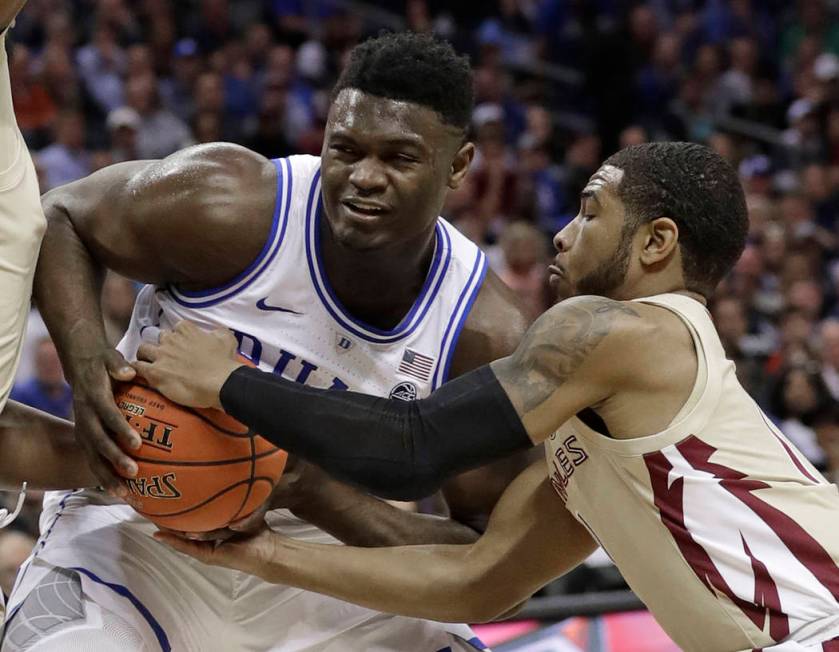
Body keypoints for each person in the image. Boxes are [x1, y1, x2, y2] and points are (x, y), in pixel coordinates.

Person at [141, 143, 839, 652]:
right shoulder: (605, 436)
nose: (563, 234)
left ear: (656, 243)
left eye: (590, 213)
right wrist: (259, 555)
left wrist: (228, 380)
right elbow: (477, 582)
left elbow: (412, 451)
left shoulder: (614, 329)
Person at [7, 32, 531, 652]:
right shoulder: (231, 206)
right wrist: (88, 363)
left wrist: (306, 488)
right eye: (346, 149)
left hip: (327, 568)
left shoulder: (483, 333)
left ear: (459, 166)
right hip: (134, 527)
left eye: (399, 158)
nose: (364, 177)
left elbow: (489, 565)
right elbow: (66, 216)